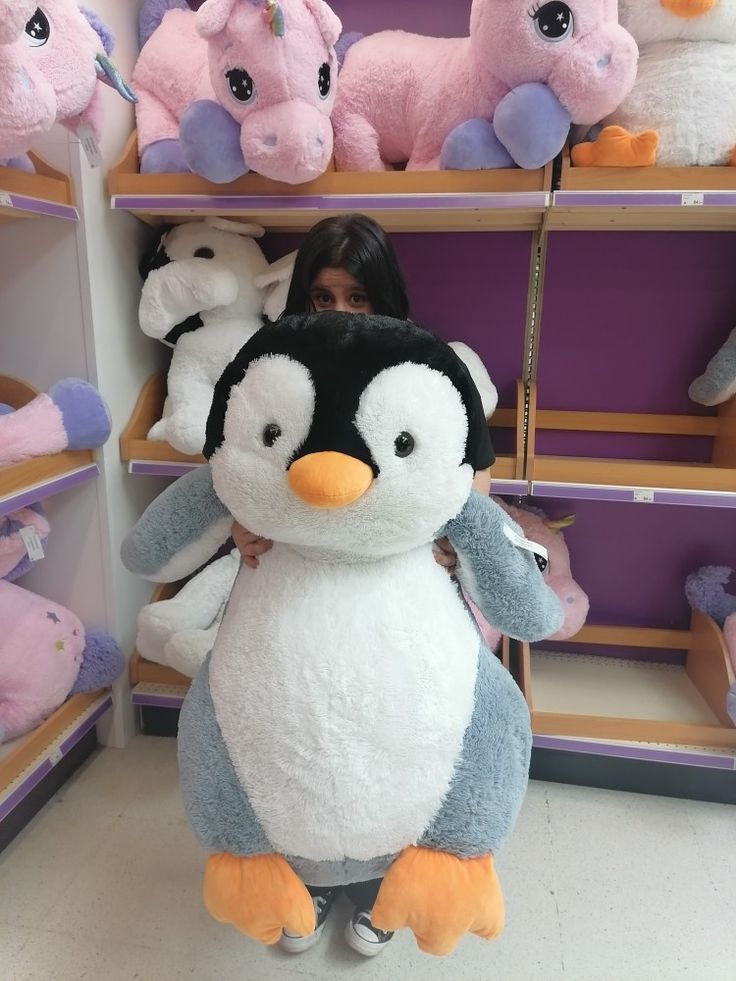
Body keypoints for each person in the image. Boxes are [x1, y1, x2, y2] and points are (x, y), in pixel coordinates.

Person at [231, 213, 493, 958]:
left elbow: (473, 471)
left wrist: (451, 534)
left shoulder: (427, 366)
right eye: (322, 297)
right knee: (296, 727)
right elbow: (239, 462)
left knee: (400, 729)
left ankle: (390, 878)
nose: (340, 315)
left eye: (356, 297)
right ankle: (305, 868)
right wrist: (237, 525)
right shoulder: (274, 361)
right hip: (295, 585)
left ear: (386, 297)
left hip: (397, 591)